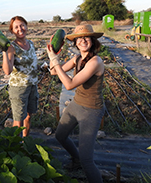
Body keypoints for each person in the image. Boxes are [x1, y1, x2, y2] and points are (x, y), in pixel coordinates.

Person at [46, 24, 104, 183]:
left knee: (87, 160)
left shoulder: (95, 61)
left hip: (91, 110)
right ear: (75, 42)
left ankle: (83, 164)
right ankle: (75, 159)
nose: (83, 41)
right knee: (60, 135)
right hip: (76, 104)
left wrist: (55, 61)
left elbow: (70, 84)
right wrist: (54, 54)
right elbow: (53, 72)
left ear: (92, 41)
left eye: (86, 37)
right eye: (79, 38)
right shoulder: (77, 58)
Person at [0, 16, 38, 137]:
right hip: (19, 89)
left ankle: (25, 141)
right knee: (18, 120)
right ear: (12, 31)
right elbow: (7, 70)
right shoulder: (12, 47)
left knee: (28, 115)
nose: (20, 29)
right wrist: (4, 51)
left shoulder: (31, 44)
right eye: (16, 27)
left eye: (22, 25)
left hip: (32, 85)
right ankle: (17, 146)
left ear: (26, 26)